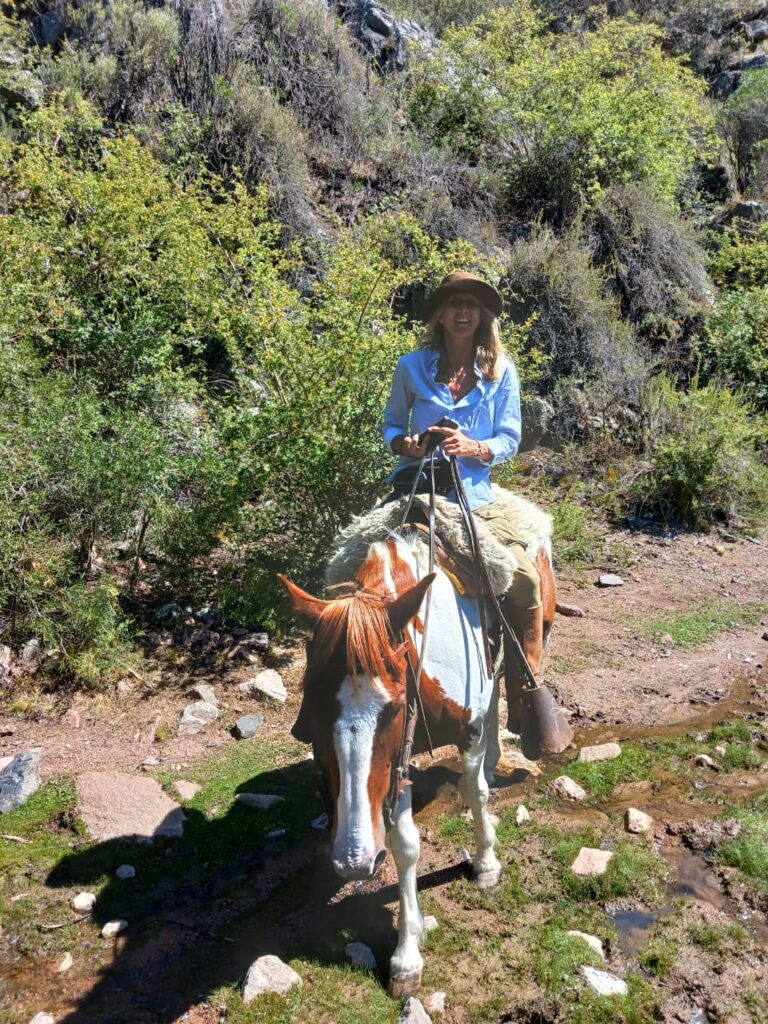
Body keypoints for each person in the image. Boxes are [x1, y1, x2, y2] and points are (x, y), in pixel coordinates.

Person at [382, 271, 543, 727]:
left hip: (474, 496)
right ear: (441, 313)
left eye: (472, 305)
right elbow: (392, 425)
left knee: (526, 581)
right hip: (417, 487)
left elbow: (511, 436)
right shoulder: (410, 365)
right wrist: (407, 445)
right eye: (455, 304)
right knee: (352, 571)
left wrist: (474, 447)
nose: (463, 312)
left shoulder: (501, 372)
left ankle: (526, 690)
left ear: (483, 315)